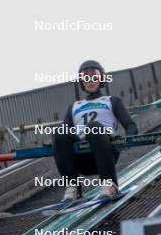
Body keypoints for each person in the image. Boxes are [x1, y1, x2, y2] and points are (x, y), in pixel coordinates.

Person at [53, 60, 138, 200]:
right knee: (60, 131)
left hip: (106, 152)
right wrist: (56, 143)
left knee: (93, 126)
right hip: (83, 158)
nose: (90, 81)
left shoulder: (112, 100)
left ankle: (110, 185)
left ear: (101, 79)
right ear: (81, 82)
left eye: (94, 76)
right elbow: (65, 134)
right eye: (86, 77)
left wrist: (128, 139)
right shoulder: (74, 106)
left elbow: (131, 125)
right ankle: (73, 189)